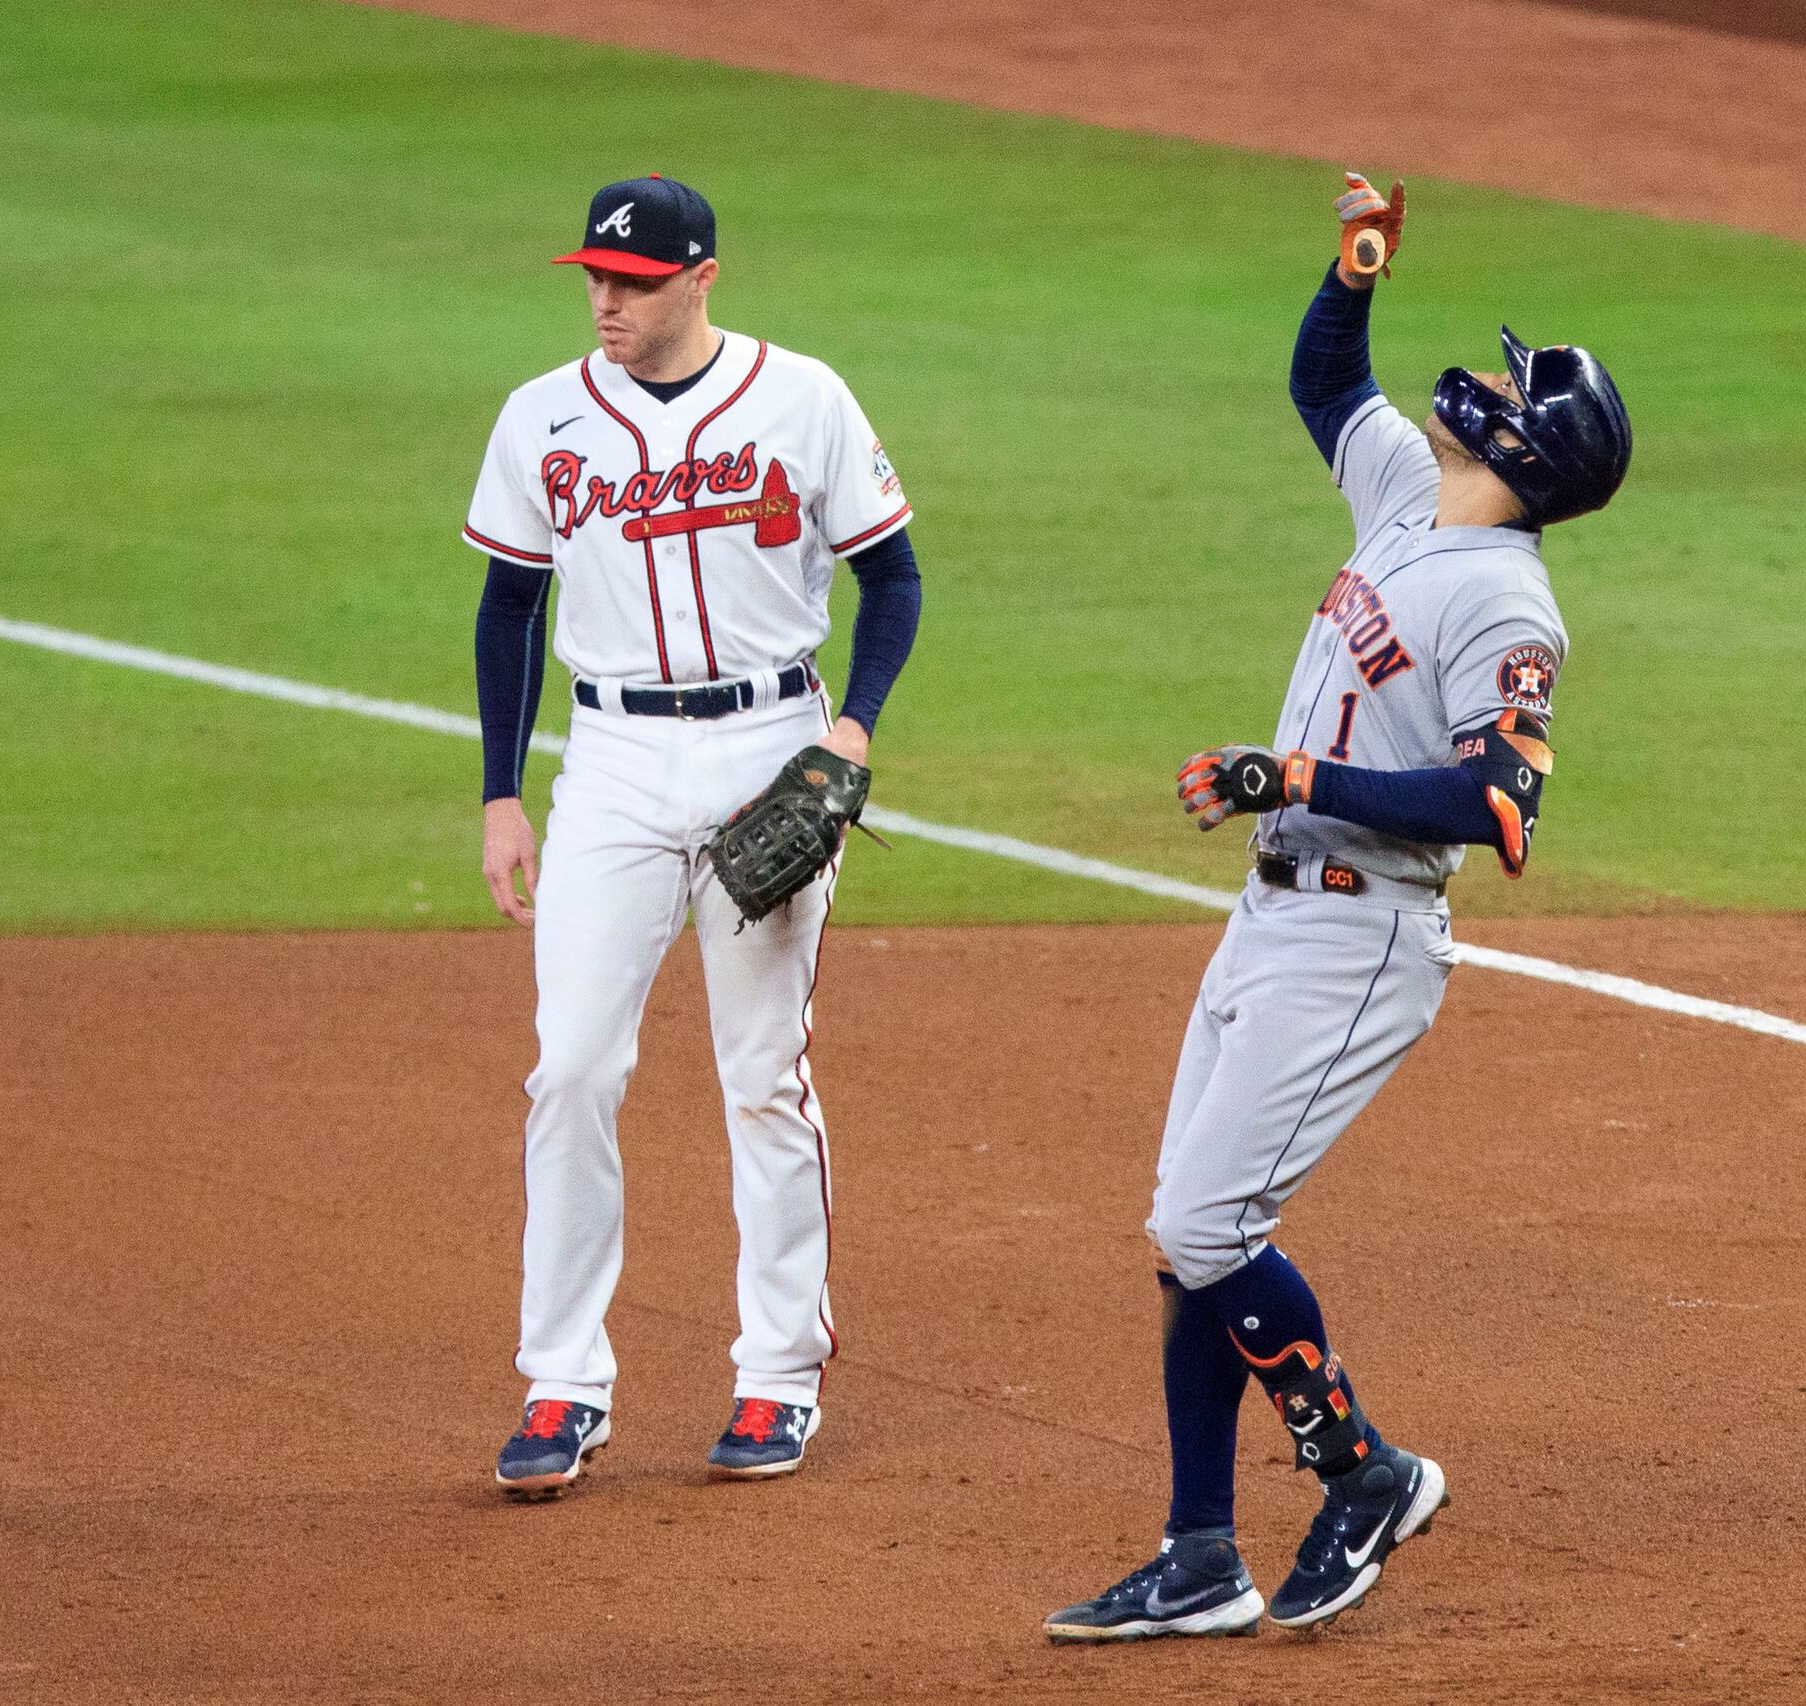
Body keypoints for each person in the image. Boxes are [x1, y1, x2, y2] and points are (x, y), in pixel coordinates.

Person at [1044, 171, 1630, 1638]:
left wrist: (1300, 766)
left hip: (1362, 934)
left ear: (1526, 440)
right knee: (1190, 1237)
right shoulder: (1404, 495)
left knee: (1206, 1215)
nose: (1480, 376)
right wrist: (1354, 271)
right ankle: (1199, 1551)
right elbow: (1323, 382)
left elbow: (1502, 805)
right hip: (1272, 912)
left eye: (1508, 379)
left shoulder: (1508, 602)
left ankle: (1363, 1469)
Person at [465, 175, 921, 1497]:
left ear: (699, 277)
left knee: (761, 1071)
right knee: (570, 1067)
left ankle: (778, 1371)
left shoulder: (804, 399)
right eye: (594, 279)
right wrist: (502, 790)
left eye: (633, 282)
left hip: (764, 747)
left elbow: (891, 574)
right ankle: (563, 1380)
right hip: (607, 761)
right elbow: (508, 612)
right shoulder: (543, 416)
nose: (606, 300)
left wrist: (855, 726)